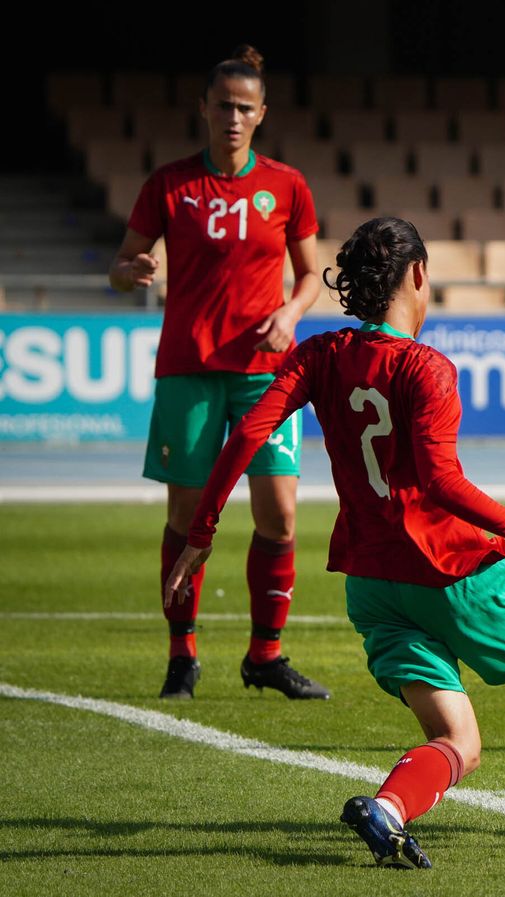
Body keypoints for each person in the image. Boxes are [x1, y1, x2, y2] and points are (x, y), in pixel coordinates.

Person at [163, 218, 505, 868]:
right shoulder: (425, 366)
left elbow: (248, 432)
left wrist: (200, 530)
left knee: (458, 739)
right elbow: (441, 483)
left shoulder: (320, 354)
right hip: (455, 572)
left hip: (372, 583)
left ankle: (388, 808)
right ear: (418, 275)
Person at [109, 45, 327, 700]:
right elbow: (122, 266)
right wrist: (131, 272)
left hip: (264, 371)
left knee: (280, 515)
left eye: (244, 108)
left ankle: (266, 655)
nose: (233, 117)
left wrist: (291, 311)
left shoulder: (287, 185)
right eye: (223, 105)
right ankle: (183, 654)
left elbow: (313, 274)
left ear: (262, 114)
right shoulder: (170, 185)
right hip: (189, 366)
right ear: (203, 108)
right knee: (184, 513)